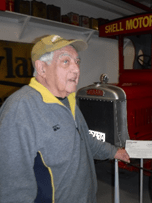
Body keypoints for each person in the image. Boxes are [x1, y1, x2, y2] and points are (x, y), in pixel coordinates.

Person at [0, 35, 130, 203]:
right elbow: (12, 186)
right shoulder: (20, 109)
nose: (76, 69)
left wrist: (114, 151)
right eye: (65, 61)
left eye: (77, 62)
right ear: (42, 68)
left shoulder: (68, 100)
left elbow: (85, 140)